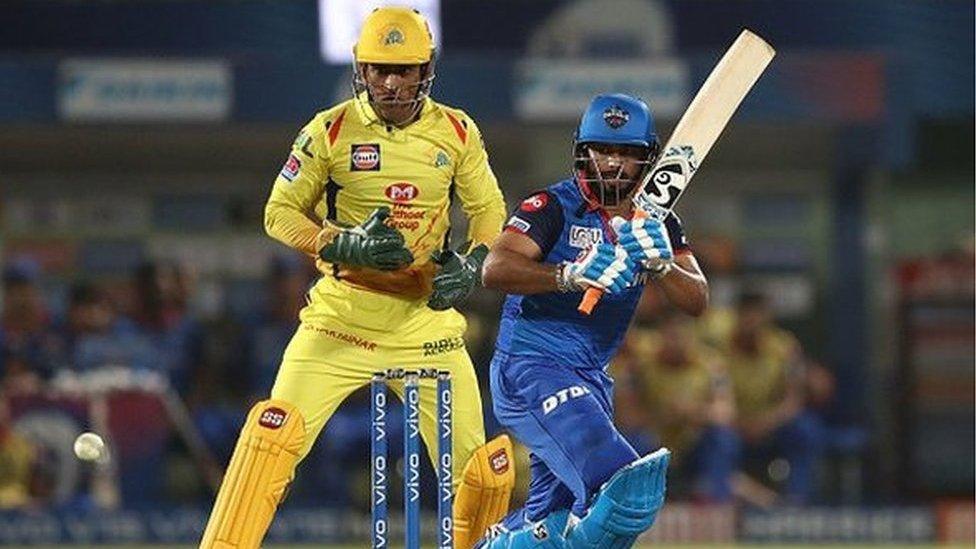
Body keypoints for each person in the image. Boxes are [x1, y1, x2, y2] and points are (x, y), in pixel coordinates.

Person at [199, 8, 512, 548]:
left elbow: (489, 210)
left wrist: (473, 261)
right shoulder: (330, 130)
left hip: (425, 327)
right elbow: (279, 212)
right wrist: (337, 241)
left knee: (481, 473)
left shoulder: (458, 131)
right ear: (360, 70)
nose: (391, 82)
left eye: (405, 70)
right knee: (271, 439)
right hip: (338, 321)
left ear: (425, 70)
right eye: (378, 69)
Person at [478, 93, 708, 547]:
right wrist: (569, 275)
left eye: (626, 154)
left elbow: (697, 299)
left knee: (552, 523)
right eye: (603, 151)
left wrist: (662, 265)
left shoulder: (658, 223)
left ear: (647, 160)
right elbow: (495, 270)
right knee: (623, 488)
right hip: (530, 366)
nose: (613, 164)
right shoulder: (552, 206)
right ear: (583, 152)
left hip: (591, 377)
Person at [614, 311, 738, 502]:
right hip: (654, 443)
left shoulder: (711, 365)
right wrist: (662, 416)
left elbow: (725, 413)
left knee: (722, 438)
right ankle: (634, 504)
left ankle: (716, 504)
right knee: (630, 441)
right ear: (661, 336)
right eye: (670, 335)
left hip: (692, 444)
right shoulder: (640, 366)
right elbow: (625, 417)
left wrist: (692, 412)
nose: (676, 342)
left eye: (681, 335)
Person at [720, 292, 823, 503]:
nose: (752, 323)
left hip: (772, 425)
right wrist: (738, 423)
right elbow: (715, 398)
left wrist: (767, 422)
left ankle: (797, 501)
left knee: (805, 428)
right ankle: (720, 505)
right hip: (734, 426)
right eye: (746, 316)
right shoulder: (720, 350)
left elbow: (794, 399)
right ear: (737, 317)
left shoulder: (783, 347)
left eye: (758, 316)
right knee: (719, 439)